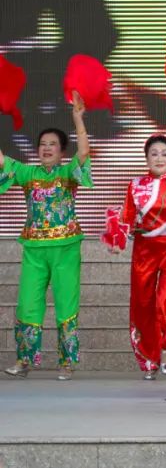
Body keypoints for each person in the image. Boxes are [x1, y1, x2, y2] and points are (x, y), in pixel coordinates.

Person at [102, 133, 166, 380]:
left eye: (164, 154)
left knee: (165, 299)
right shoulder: (135, 185)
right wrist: (117, 241)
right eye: (154, 154)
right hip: (144, 249)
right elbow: (127, 217)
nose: (159, 158)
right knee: (142, 303)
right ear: (146, 157)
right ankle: (149, 359)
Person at [2, 93, 91, 380]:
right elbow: (2, 161)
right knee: (28, 303)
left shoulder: (67, 172)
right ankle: (24, 360)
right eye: (42, 144)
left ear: (62, 151)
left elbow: (83, 154)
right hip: (34, 248)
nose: (47, 148)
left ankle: (67, 362)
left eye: (53, 144)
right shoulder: (27, 173)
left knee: (66, 304)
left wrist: (78, 119)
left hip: (66, 248)